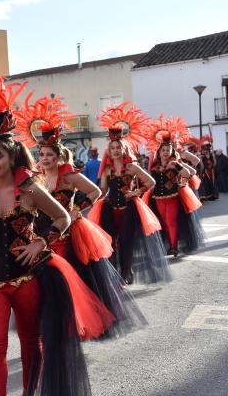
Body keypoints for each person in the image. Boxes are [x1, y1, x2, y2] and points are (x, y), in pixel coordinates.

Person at [0, 74, 115, 396]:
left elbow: (62, 217)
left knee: (31, 341)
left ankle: (30, 392)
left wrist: (40, 242)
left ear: (12, 156)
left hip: (29, 277)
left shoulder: (30, 190)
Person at [19, 94, 145, 337]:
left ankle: (79, 323)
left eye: (48, 155)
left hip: (71, 234)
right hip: (45, 235)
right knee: (50, 282)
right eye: (41, 155)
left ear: (58, 156)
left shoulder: (69, 174)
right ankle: (58, 325)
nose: (44, 159)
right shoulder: (37, 178)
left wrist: (78, 208)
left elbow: (96, 191)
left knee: (74, 280)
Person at [88, 102, 170, 285]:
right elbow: (102, 190)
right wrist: (93, 200)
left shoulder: (132, 167)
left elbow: (151, 182)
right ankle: (115, 274)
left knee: (126, 242)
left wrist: (137, 192)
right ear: (108, 150)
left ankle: (125, 274)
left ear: (124, 148)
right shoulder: (107, 169)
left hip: (129, 209)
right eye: (112, 148)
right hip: (109, 208)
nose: (115, 150)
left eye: (118, 147)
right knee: (110, 242)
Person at [144, 116, 205, 257]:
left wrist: (177, 167)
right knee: (164, 223)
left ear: (172, 151)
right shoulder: (154, 165)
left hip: (173, 197)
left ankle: (174, 247)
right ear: (158, 152)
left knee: (171, 221)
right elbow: (148, 178)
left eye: (168, 150)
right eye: (163, 150)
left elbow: (192, 172)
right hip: (158, 198)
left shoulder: (175, 163)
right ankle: (170, 244)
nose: (165, 152)